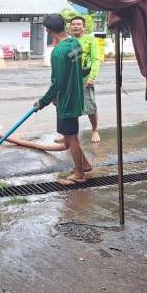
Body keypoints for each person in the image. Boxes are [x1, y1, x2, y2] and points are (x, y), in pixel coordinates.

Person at [35, 13, 92, 185]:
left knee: (71, 138)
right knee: (71, 136)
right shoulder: (75, 43)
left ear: (48, 30)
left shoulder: (58, 51)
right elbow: (79, 70)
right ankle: (85, 165)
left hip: (67, 100)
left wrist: (43, 101)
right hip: (74, 95)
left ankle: (80, 175)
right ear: (65, 25)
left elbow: (57, 81)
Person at [54, 16, 101, 143]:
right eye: (73, 24)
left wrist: (92, 77)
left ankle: (94, 130)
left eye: (78, 24)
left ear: (84, 27)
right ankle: (66, 134)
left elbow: (96, 59)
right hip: (68, 80)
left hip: (84, 79)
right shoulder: (67, 41)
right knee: (67, 107)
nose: (75, 26)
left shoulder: (90, 40)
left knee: (90, 106)